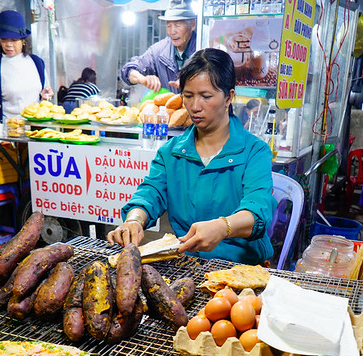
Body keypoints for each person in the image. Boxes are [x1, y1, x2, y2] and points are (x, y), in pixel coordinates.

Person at [108, 48, 276, 265]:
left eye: (206, 96)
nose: (195, 107)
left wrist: (223, 227)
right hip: (186, 264)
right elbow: (150, 192)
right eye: (188, 96)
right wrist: (134, 220)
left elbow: (258, 209)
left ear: (228, 97)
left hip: (241, 265)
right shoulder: (171, 152)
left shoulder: (254, 151)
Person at [120, 0, 197, 94]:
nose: (172, 32)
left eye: (178, 25)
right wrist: (142, 79)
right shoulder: (158, 51)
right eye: (169, 26)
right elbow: (128, 71)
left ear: (192, 24)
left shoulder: (203, 48)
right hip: (170, 108)